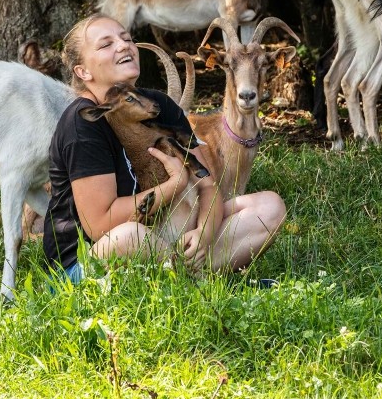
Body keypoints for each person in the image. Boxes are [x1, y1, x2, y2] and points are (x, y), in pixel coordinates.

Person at [43, 14, 287, 284]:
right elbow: (100, 223)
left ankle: (187, 273)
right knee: (131, 236)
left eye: (126, 38)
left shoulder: (159, 104)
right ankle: (203, 283)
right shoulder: (83, 122)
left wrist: (204, 233)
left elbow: (208, 185)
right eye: (106, 44)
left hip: (161, 240)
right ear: (83, 72)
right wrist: (175, 184)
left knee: (269, 206)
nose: (124, 46)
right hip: (90, 262)